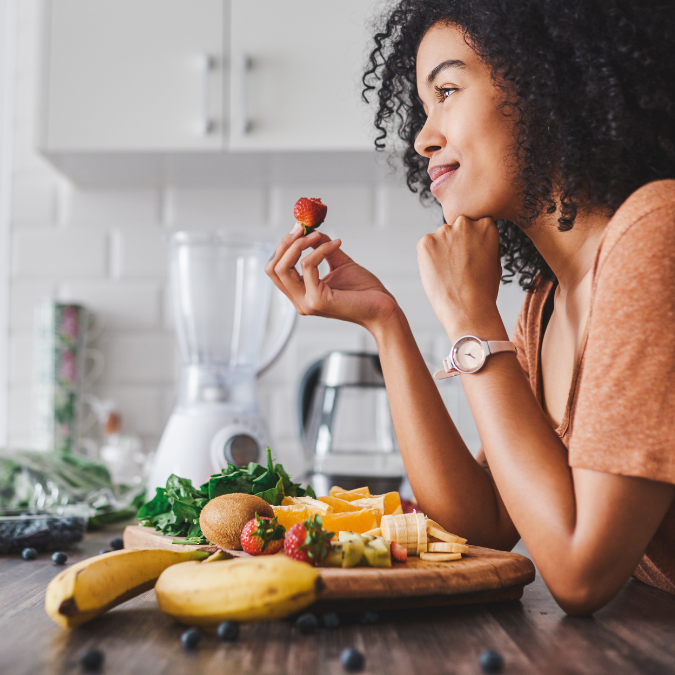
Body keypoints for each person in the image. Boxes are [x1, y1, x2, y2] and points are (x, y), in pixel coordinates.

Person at [266, 0, 675, 614]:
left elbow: (580, 574)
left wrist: (472, 321)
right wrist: (386, 322)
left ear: (548, 85)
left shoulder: (656, 232)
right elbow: (480, 523)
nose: (423, 138)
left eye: (448, 90)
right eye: (424, 108)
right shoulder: (543, 309)